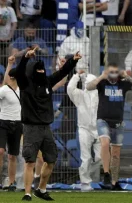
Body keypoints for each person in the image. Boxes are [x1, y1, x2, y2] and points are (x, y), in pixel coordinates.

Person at [19, 48, 80, 201]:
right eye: (38, 69)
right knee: (30, 161)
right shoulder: (25, 84)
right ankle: (27, 193)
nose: (41, 71)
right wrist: (25, 58)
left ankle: (41, 189)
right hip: (31, 127)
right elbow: (20, 71)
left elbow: (62, 72)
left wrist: (73, 60)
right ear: (32, 71)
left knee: (51, 160)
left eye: (42, 69)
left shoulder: (47, 82)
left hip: (46, 128)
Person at [86, 64, 132, 190]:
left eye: (115, 72)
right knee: (105, 144)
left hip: (118, 122)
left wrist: (127, 77)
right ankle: (106, 173)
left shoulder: (123, 84)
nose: (113, 74)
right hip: (103, 120)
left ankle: (114, 182)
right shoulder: (102, 83)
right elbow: (89, 87)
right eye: (111, 72)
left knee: (116, 153)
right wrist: (101, 76)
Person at [66, 72, 101, 192]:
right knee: (85, 157)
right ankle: (85, 183)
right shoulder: (80, 95)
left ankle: (84, 174)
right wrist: (76, 76)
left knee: (100, 157)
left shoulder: (100, 95)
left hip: (98, 129)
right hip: (84, 129)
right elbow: (70, 88)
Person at [0, 56, 21, 192]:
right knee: (0, 151)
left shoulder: (22, 91)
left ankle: (11, 182)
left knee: (13, 155)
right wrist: (9, 64)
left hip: (17, 123)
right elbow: (5, 82)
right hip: (3, 122)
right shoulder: (4, 90)